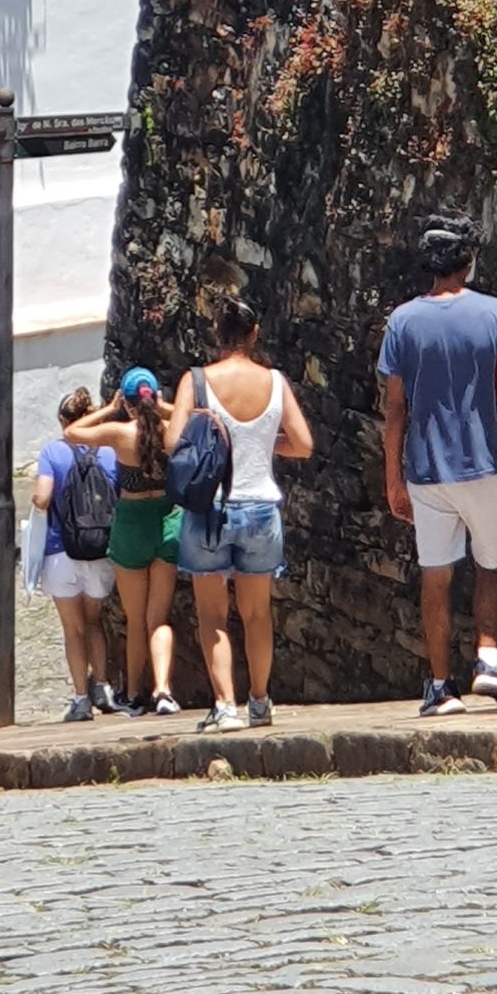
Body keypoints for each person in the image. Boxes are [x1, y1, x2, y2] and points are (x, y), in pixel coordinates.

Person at [378, 215, 497, 718]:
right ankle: (488, 656)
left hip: (426, 472)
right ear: (468, 260)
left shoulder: (402, 321)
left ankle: (440, 686)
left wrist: (392, 478)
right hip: (487, 463)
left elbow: (394, 409)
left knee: (436, 574)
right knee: (491, 562)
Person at [167, 298, 314, 733]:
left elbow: (174, 441)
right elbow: (303, 443)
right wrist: (263, 443)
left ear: (216, 334)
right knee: (257, 614)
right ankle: (261, 700)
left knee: (212, 616)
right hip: (261, 506)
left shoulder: (195, 382)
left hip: (211, 508)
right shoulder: (274, 381)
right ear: (254, 334)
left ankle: (225, 705)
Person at [65, 369, 180, 714]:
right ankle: (163, 689)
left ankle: (132, 693)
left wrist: (109, 408)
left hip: (131, 521)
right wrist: (162, 407)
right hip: (167, 519)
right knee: (158, 619)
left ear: (126, 402)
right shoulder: (170, 431)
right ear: (153, 397)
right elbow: (201, 413)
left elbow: (72, 432)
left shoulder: (119, 433)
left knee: (135, 618)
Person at [32, 388, 122, 722]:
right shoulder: (109, 452)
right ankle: (102, 684)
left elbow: (42, 499)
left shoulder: (52, 452)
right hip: (100, 548)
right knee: (94, 621)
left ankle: (81, 699)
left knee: (73, 629)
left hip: (61, 549)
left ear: (63, 421)